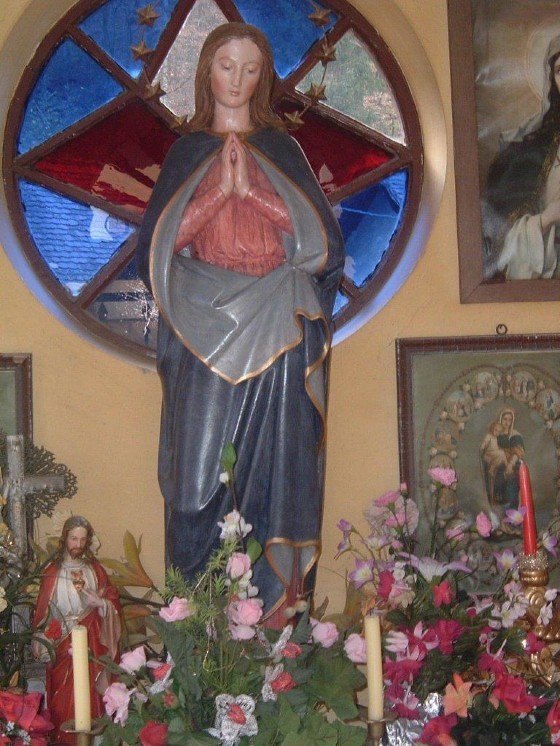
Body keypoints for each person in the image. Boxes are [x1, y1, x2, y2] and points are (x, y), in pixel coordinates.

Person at [136, 22, 345, 623]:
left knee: (275, 470)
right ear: (207, 70)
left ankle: (273, 619)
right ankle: (198, 623)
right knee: (197, 477)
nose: (237, 79)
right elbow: (158, 250)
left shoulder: (282, 150)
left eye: (250, 69)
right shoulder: (187, 153)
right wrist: (217, 194)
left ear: (264, 78)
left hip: (277, 317)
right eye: (226, 66)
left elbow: (319, 247)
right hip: (202, 323)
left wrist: (250, 193)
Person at [32, 516, 121, 744]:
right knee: (63, 700)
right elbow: (42, 613)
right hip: (62, 643)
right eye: (74, 539)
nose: (78, 545)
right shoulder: (53, 573)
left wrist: (101, 604)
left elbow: (112, 600)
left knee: (90, 695)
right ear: (64, 539)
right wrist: (44, 638)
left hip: (93, 643)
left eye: (82, 539)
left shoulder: (95, 570)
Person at [485, 34, 560, 279]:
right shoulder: (535, 148)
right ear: (553, 80)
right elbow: (503, 243)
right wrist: (547, 218)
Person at [490, 408, 525, 510]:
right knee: (498, 496)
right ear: (500, 419)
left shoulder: (515, 435)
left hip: (512, 467)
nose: (507, 422)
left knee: (511, 492)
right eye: (505, 419)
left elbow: (517, 452)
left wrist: (510, 465)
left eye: (509, 420)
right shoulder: (495, 434)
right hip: (498, 467)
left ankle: (512, 513)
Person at [480, 419, 507, 504]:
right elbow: (484, 444)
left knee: (502, 454)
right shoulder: (489, 436)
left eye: (499, 431)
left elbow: (495, 447)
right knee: (501, 453)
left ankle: (505, 467)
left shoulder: (495, 438)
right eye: (495, 430)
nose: (497, 433)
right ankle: (492, 469)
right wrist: (482, 448)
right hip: (488, 454)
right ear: (492, 428)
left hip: (494, 454)